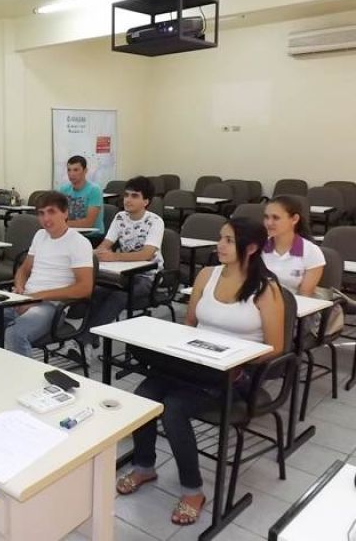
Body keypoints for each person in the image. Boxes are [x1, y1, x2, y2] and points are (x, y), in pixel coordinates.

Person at [116, 218, 284, 526]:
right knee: (143, 397)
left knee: (174, 409)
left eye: (229, 240)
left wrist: (236, 358)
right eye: (221, 238)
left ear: (251, 248)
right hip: (194, 364)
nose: (220, 245)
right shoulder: (207, 275)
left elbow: (276, 347)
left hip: (235, 374)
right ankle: (144, 466)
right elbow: (190, 324)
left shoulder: (266, 288)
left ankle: (193, 491)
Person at [6, 191, 94, 357]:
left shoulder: (79, 243)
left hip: (51, 306)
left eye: (51, 212)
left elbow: (84, 288)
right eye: (41, 213)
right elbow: (24, 269)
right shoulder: (40, 235)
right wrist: (19, 288)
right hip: (25, 298)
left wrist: (36, 297)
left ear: (65, 213)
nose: (46, 218)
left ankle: (24, 374)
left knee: (15, 334)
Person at [81, 176, 164, 345]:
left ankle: (84, 341)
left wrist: (114, 256)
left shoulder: (155, 221)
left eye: (134, 196)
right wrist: (91, 253)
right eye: (126, 195)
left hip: (148, 276)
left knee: (118, 296)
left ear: (146, 201)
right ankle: (90, 339)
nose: (128, 199)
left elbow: (146, 254)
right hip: (124, 274)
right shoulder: (120, 217)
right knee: (96, 292)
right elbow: (105, 245)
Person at [262, 195, 325, 296]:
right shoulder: (257, 247)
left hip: (295, 304)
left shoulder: (312, 252)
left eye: (276, 218)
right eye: (266, 217)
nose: (269, 223)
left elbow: (305, 295)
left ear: (294, 219)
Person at [57, 155, 104, 236]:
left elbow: (88, 223)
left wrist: (61, 223)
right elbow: (59, 214)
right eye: (69, 170)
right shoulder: (64, 189)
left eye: (76, 170)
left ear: (85, 171)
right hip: (71, 234)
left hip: (92, 236)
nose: (71, 174)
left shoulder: (94, 190)